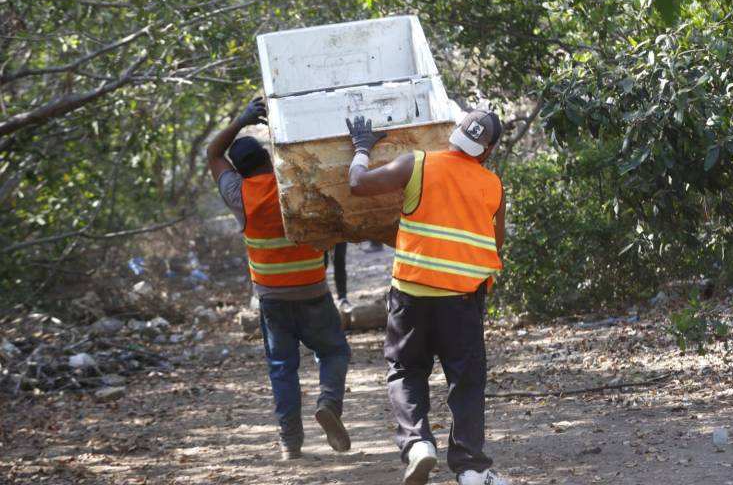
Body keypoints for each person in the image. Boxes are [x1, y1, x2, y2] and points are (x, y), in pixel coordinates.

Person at [345, 111, 509, 485]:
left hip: (411, 296)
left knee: (406, 371)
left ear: (455, 135)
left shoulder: (416, 164)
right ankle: (471, 469)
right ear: (488, 151)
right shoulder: (493, 187)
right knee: (466, 383)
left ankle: (418, 444)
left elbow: (357, 184)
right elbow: (496, 242)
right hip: (462, 302)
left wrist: (361, 148)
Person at [208, 97, 352, 461]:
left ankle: (290, 443)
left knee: (282, 369)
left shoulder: (239, 194)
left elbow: (213, 153)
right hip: (313, 292)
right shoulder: (295, 186)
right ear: (268, 159)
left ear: (239, 171)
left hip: (272, 299)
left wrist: (240, 121)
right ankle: (329, 402)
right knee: (334, 351)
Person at [325, 242, 353, 313]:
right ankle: (322, 298)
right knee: (323, 263)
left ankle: (342, 297)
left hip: (339, 237)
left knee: (340, 260)